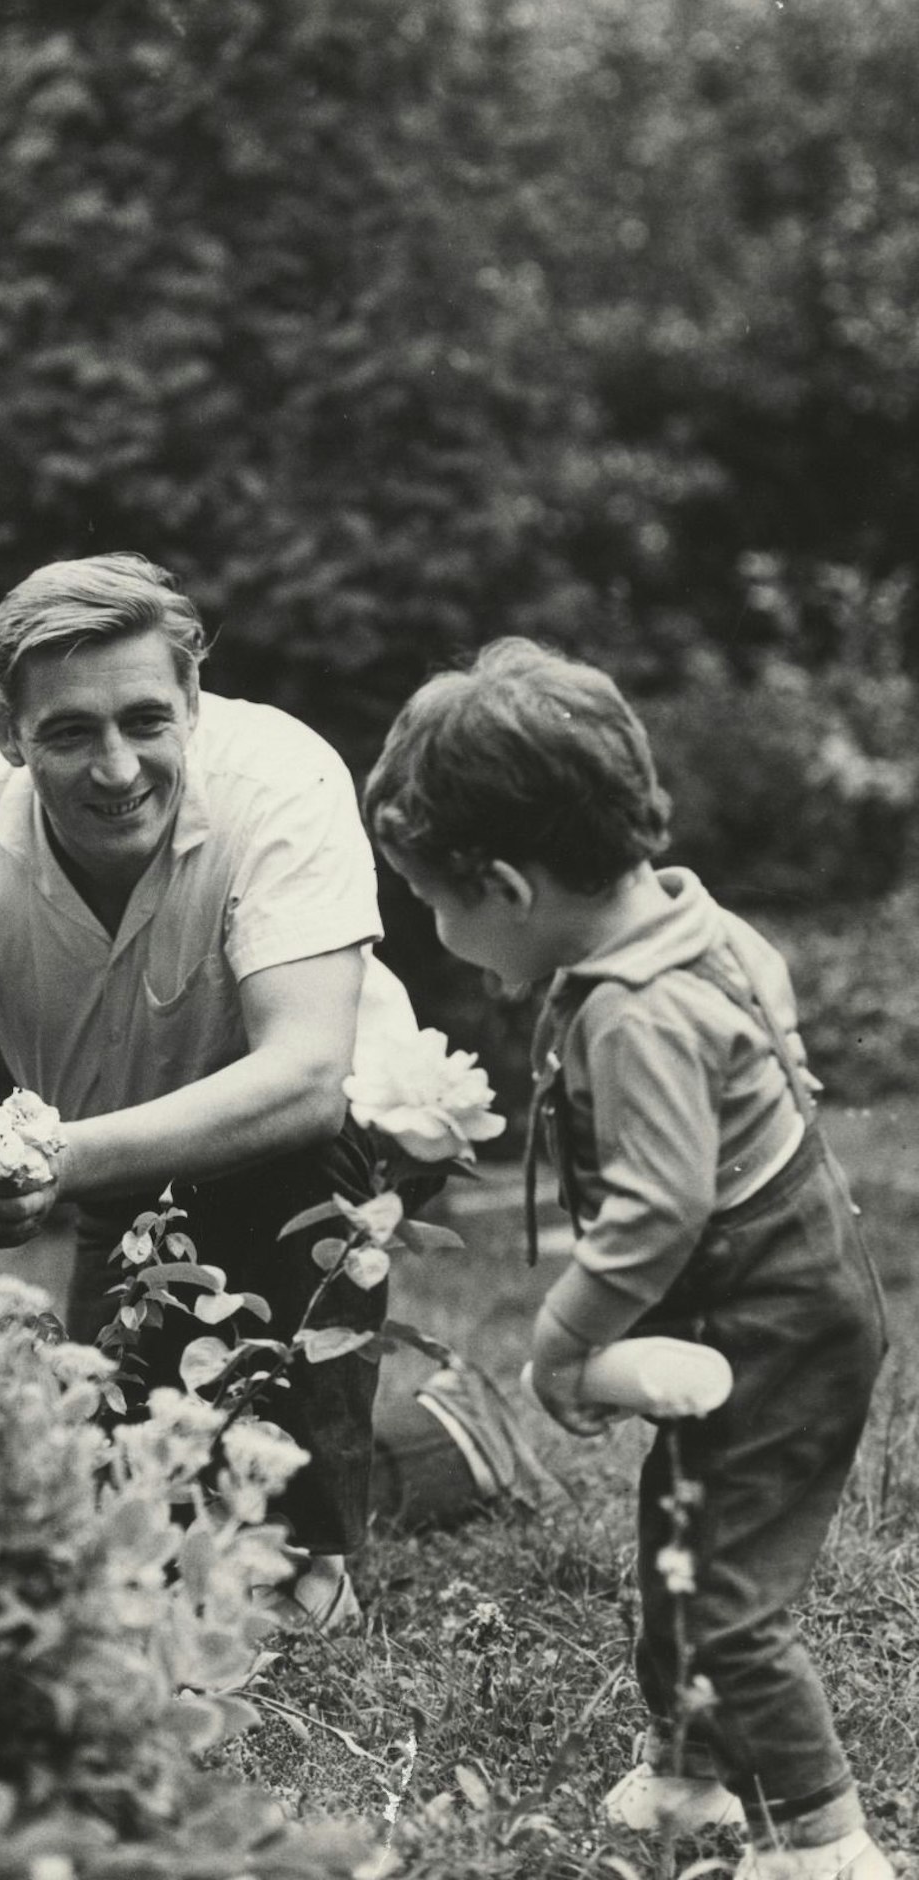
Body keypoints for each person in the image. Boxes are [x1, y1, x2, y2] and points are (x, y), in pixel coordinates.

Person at [362, 638, 892, 1880]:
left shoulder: (635, 1012)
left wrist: (563, 1339)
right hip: (772, 1294)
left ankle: (820, 1843)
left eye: (434, 903)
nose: (437, 930)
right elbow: (767, 1000)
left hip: (773, 1317)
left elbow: (656, 1210)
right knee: (678, 1531)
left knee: (725, 1597)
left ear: (505, 885)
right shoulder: (685, 918)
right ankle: (689, 1768)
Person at [0, 551, 420, 1629]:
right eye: (69, 732)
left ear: (193, 699)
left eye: (146, 720)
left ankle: (308, 1561)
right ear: (6, 728)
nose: (116, 769)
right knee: (119, 1480)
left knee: (278, 1259)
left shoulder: (281, 779)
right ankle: (452, 1439)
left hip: (329, 1139)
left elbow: (302, 1079)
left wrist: (53, 1160)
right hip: (115, 1170)